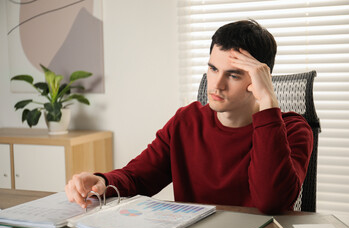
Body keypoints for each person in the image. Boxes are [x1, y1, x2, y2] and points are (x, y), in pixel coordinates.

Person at [65, 19, 313, 214]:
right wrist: (101, 180)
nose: (216, 85)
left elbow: (271, 202)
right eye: (213, 69)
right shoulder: (187, 121)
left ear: (260, 79)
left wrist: (268, 103)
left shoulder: (294, 129)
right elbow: (138, 177)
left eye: (234, 75)